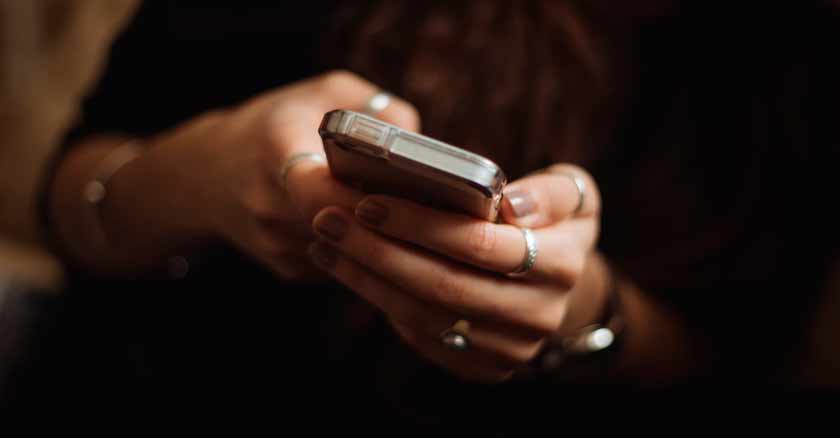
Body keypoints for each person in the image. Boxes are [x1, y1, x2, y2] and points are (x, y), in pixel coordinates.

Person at [22, 0, 840, 423]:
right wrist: (201, 173)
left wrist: (590, 314)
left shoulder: (797, 55)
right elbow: (63, 202)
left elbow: (755, 370)